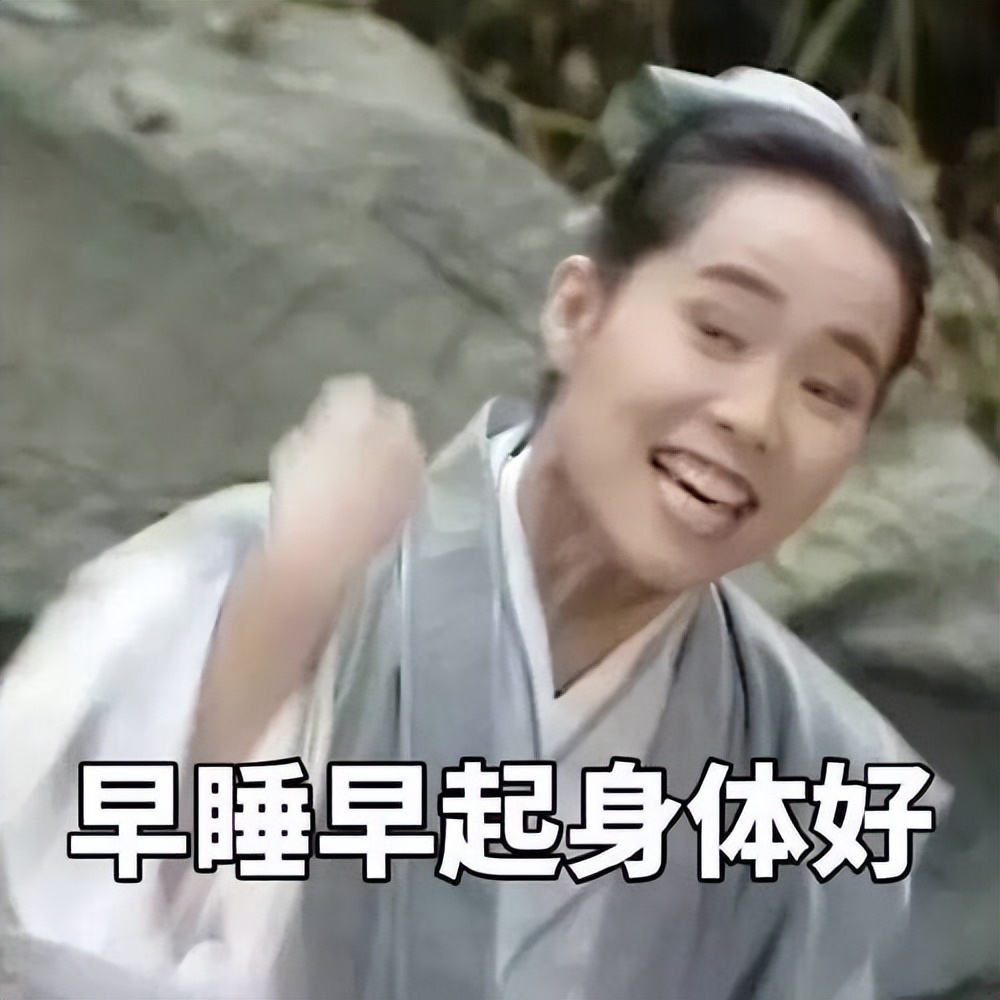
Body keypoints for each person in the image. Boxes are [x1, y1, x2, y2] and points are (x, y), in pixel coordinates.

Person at [0, 68, 949, 1000]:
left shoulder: (809, 767)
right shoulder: (244, 569)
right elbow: (60, 931)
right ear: (577, 312)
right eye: (718, 331)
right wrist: (281, 615)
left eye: (827, 390)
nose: (756, 416)